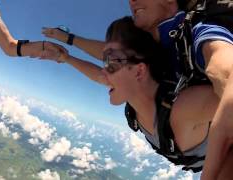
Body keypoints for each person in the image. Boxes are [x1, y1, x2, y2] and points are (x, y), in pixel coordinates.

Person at [41, 16, 233, 177]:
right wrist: (65, 55)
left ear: (140, 71)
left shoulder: (184, 107)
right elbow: (103, 71)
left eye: (110, 65)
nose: (104, 72)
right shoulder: (135, 100)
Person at [126, 0, 233, 179]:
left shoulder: (199, 29)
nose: (131, 1)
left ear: (170, 2)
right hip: (186, 144)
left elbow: (221, 60)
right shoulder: (144, 47)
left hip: (210, 142)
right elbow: (109, 56)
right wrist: (69, 41)